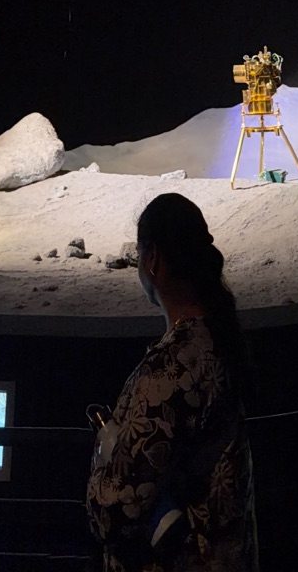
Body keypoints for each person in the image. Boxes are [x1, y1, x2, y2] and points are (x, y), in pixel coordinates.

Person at [87, 193, 258, 572]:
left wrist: (102, 460)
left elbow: (117, 511)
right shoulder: (218, 337)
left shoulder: (168, 371)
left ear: (153, 260)